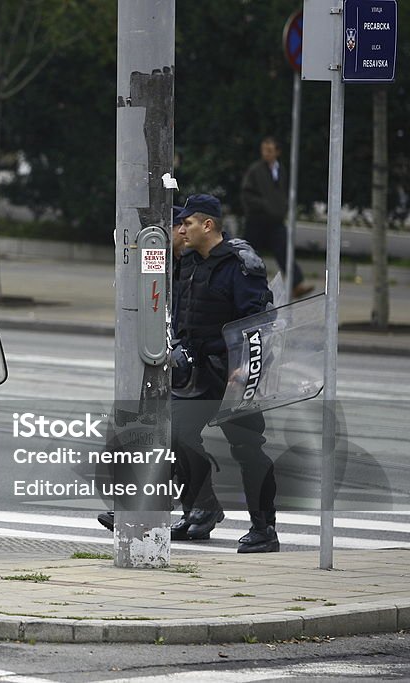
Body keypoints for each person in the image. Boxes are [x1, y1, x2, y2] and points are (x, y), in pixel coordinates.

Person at [171, 193, 279, 553]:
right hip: (197, 372)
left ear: (208, 225)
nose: (182, 228)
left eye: (187, 223)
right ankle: (201, 510)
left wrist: (244, 373)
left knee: (248, 448)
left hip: (233, 373)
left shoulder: (240, 264)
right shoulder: (189, 262)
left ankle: (264, 528)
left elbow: (259, 323)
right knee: (176, 434)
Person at [97, 206, 194, 541]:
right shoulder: (158, 261)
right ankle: (132, 505)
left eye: (184, 225)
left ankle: (158, 509)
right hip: (152, 362)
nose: (181, 232)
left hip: (184, 368)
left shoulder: (199, 266)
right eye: (177, 226)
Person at [241, 136, 313, 299]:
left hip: (275, 220)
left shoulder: (281, 170)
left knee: (284, 251)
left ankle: (297, 283)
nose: (266, 154)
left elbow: (282, 192)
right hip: (257, 219)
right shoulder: (256, 170)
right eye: (264, 150)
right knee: (249, 253)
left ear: (277, 152)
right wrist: (263, 205)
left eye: (270, 150)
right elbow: (247, 194)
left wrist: (282, 207)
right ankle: (245, 283)